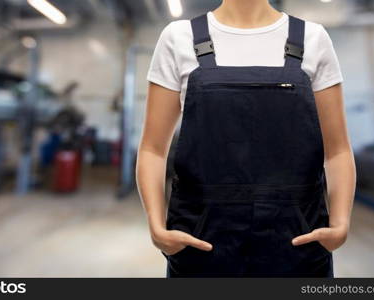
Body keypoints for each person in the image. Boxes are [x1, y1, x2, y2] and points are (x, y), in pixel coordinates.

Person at [136, 0, 356, 277]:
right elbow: (153, 149)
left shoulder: (313, 39)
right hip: (202, 241)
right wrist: (157, 228)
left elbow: (337, 151)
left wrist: (340, 224)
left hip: (297, 241)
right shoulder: (178, 38)